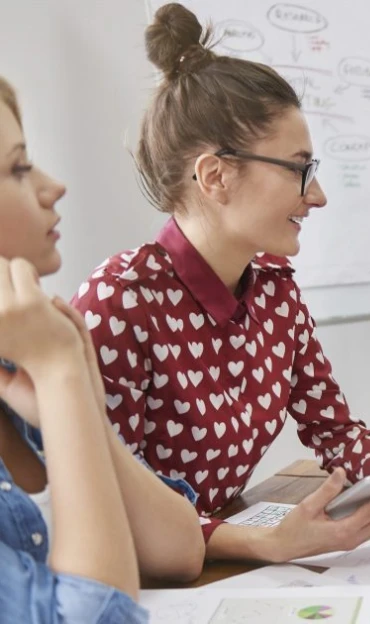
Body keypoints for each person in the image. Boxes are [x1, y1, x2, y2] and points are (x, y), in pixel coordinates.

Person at [71, 3, 370, 564]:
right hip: (145, 580)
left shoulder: (274, 288)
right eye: (299, 169)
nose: (317, 195)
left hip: (228, 559)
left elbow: (334, 430)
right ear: (216, 176)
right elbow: (107, 506)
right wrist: (265, 543)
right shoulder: (118, 301)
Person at [0, 75, 204, 622]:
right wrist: (64, 374)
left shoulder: (19, 366)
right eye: (19, 168)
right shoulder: (68, 338)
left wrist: (75, 410)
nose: (53, 185)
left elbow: (180, 551)